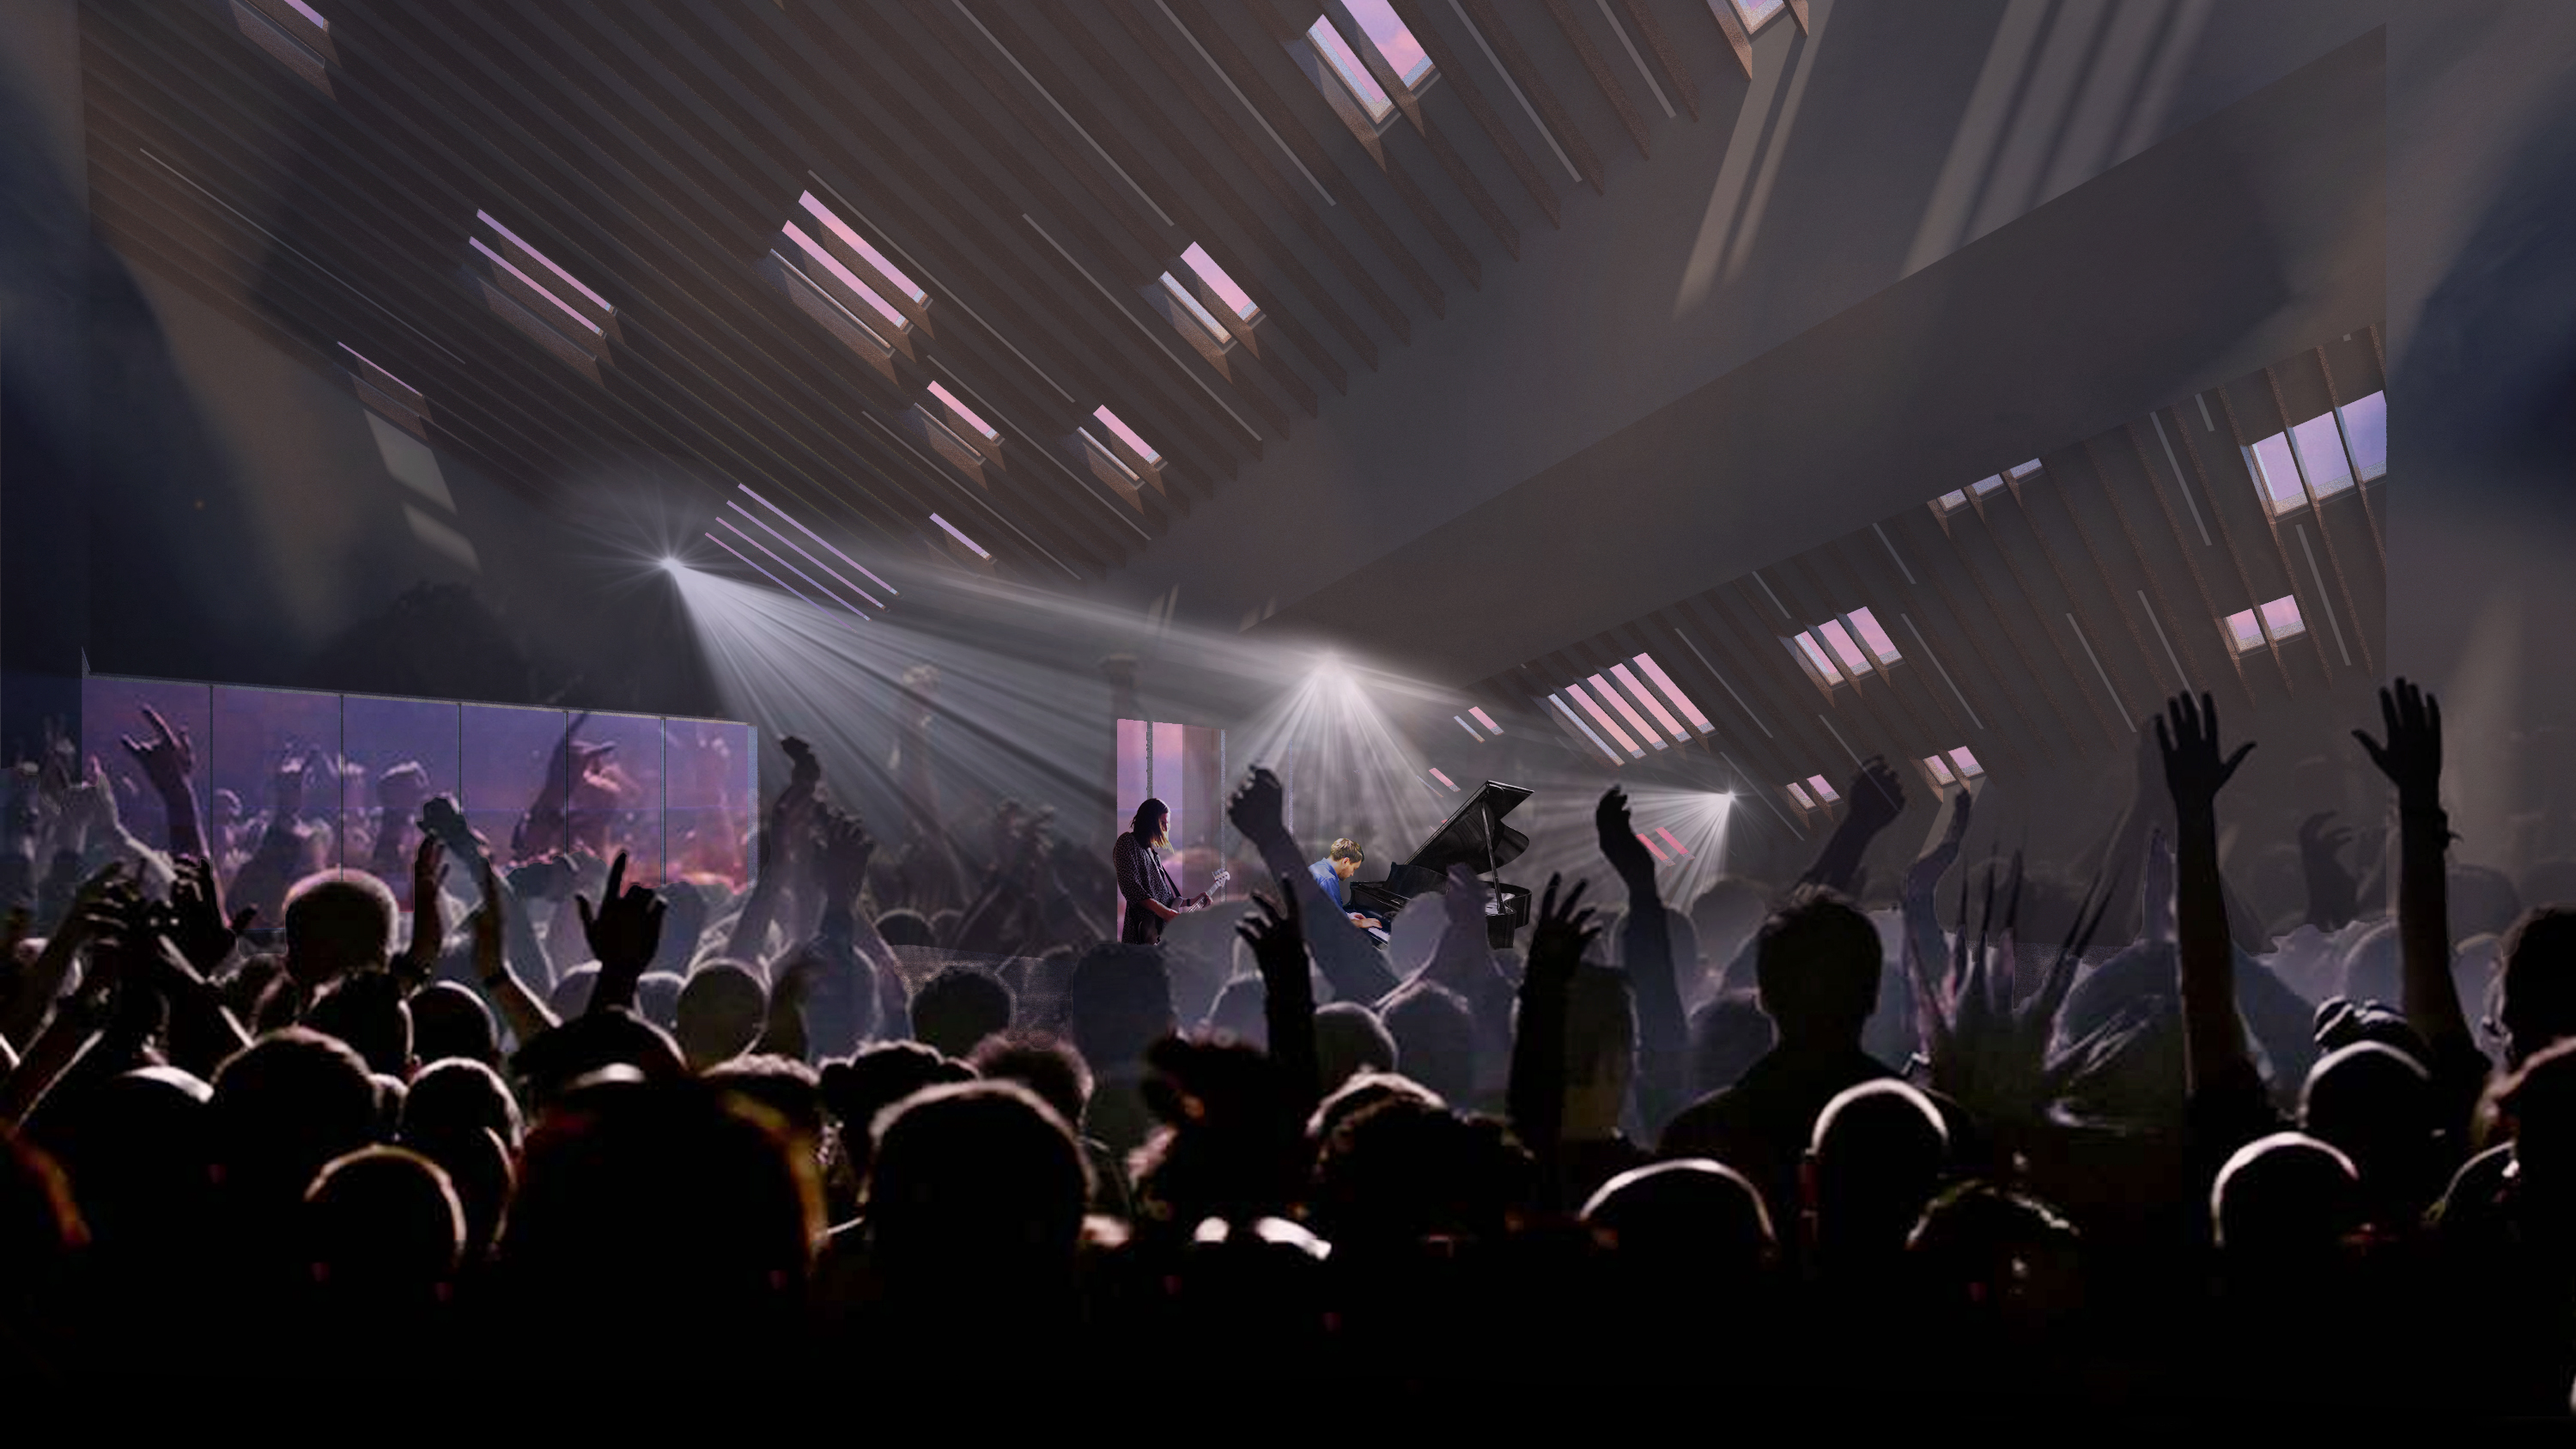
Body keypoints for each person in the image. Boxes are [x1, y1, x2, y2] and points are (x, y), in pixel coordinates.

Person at [1114, 798, 1209, 947]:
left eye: (1167, 824)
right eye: (1162, 823)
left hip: (1160, 940)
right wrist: (1166, 913)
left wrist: (1192, 901)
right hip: (1140, 938)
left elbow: (1166, 899)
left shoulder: (1154, 855)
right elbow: (1131, 888)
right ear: (1150, 821)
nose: (1165, 829)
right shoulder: (1127, 842)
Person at [1309, 837, 1380, 931]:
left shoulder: (1317, 867)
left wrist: (1347, 915)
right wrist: (1361, 923)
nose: (1352, 874)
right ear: (1345, 861)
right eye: (1354, 869)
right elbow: (1335, 923)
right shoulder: (1328, 879)